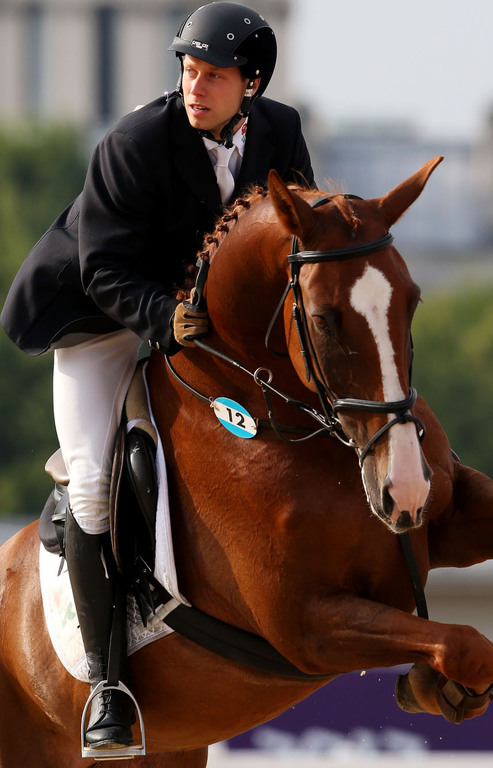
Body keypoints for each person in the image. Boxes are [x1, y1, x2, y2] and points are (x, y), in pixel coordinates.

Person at [1, 1, 314, 753]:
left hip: (201, 324)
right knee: (90, 479)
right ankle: (108, 686)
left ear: (254, 83)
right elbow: (101, 268)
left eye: (213, 74)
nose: (195, 85)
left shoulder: (280, 131)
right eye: (188, 69)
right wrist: (162, 315)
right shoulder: (134, 141)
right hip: (100, 317)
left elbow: (292, 237)